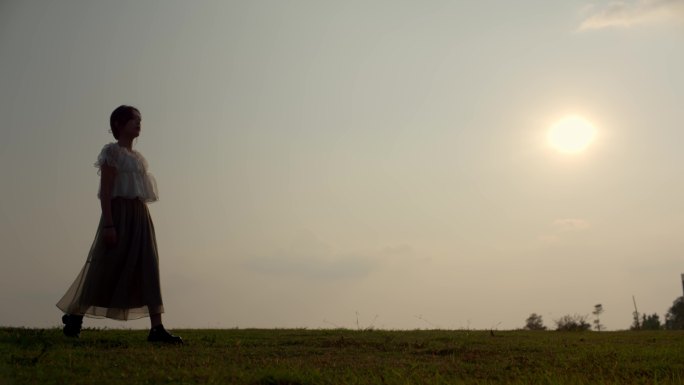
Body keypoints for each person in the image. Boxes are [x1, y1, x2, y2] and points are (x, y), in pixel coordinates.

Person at [56, 105, 182, 344]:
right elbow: (105, 192)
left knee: (148, 264)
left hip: (139, 214)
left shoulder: (138, 158)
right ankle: (75, 314)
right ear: (118, 124)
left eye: (140, 120)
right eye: (133, 120)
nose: (139, 124)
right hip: (119, 213)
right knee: (105, 265)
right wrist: (109, 225)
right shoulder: (111, 153)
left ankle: (157, 328)